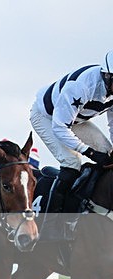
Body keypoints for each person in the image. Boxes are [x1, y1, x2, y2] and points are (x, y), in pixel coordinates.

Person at [30, 50, 113, 239]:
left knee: (108, 155)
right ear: (107, 77)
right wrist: (90, 153)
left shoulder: (110, 86)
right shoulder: (82, 86)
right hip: (47, 117)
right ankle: (51, 225)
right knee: (72, 162)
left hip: (76, 120)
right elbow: (59, 127)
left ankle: (93, 210)